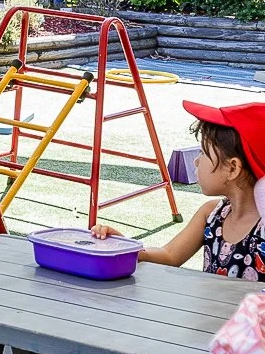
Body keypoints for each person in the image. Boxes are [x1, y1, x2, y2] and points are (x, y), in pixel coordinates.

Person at [92, 100, 265, 282]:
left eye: (203, 153)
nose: (196, 161)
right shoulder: (212, 214)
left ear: (232, 168)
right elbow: (169, 255)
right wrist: (126, 248)